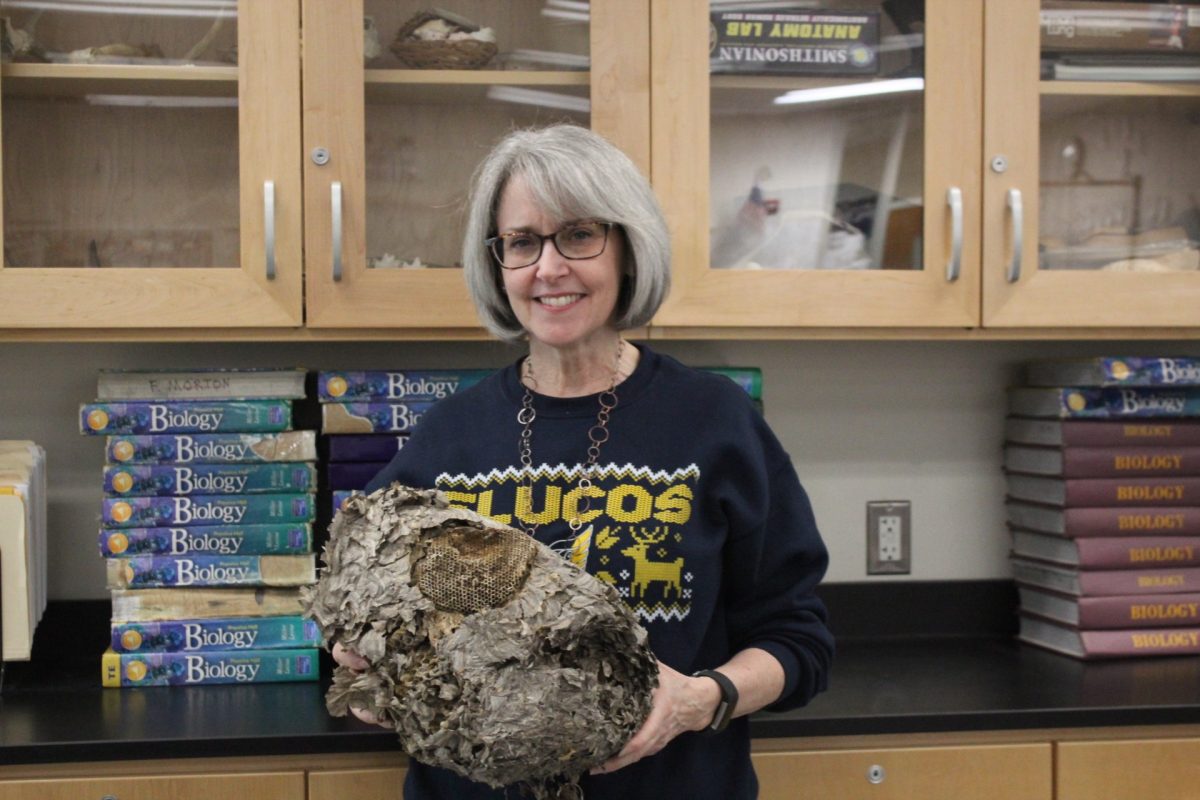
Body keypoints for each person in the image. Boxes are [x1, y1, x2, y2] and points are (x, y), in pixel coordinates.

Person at [336, 123, 834, 799]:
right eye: (522, 242)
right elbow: (353, 608)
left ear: (628, 250)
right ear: (497, 263)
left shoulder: (715, 423)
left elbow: (797, 641)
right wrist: (365, 665)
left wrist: (697, 698)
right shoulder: (449, 438)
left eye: (577, 235)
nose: (548, 268)